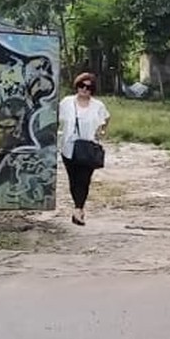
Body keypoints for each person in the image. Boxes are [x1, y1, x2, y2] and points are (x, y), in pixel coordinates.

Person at [58, 72, 110, 226]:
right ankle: (77, 205)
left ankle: (78, 210)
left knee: (84, 179)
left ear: (92, 89)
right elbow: (56, 118)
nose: (84, 89)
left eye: (88, 87)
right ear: (77, 85)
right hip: (69, 147)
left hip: (88, 147)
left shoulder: (98, 105)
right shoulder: (67, 102)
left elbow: (106, 118)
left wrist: (101, 130)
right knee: (73, 180)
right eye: (82, 85)